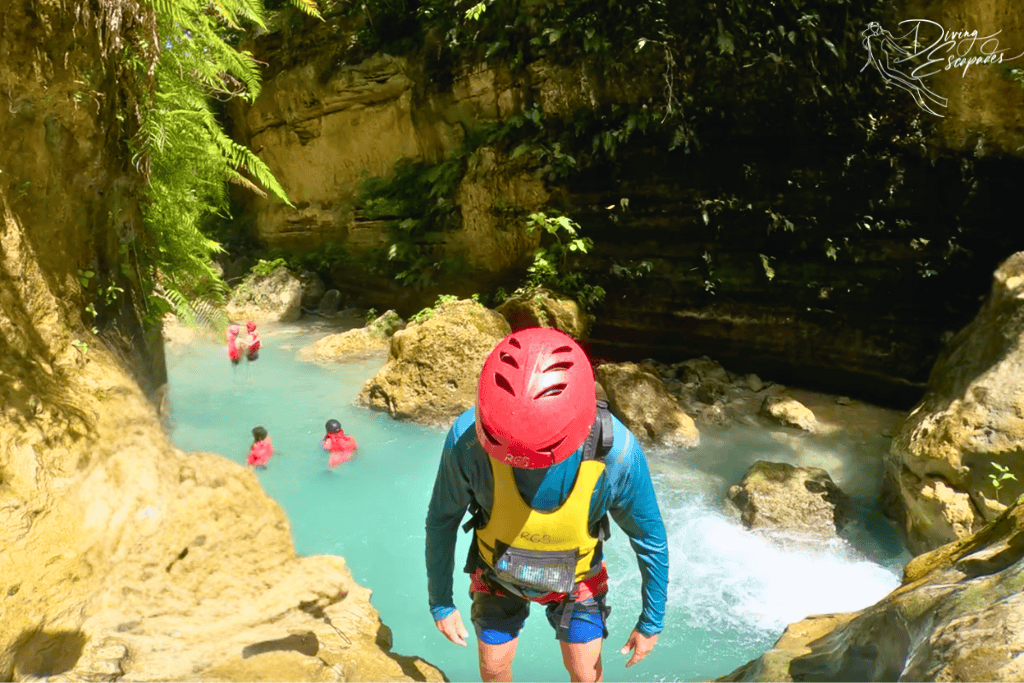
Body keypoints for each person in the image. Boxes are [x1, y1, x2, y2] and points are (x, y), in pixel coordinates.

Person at [425, 327, 669, 682]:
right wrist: (441, 602)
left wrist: (651, 621)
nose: (524, 465)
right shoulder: (468, 441)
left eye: (538, 456)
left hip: (578, 579)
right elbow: (442, 520)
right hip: (496, 574)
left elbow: (649, 538)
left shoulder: (616, 454)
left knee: (586, 674)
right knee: (493, 669)